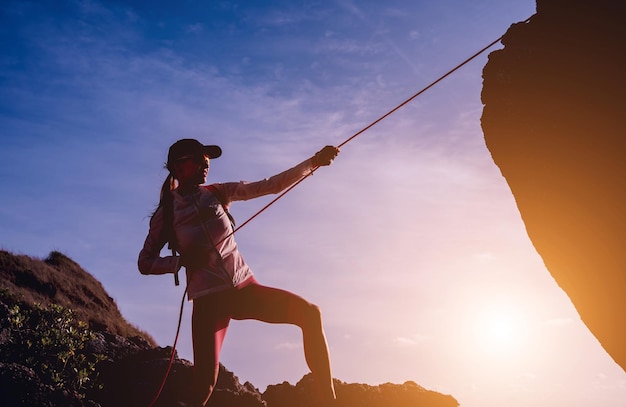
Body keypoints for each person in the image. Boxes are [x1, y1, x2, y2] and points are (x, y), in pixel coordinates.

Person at [138, 138, 339, 406]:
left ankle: (329, 401)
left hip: (245, 289)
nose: (205, 165)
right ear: (179, 166)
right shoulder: (167, 213)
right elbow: (145, 262)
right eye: (199, 159)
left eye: (207, 160)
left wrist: (313, 162)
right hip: (209, 303)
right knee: (204, 387)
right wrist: (181, 261)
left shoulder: (218, 193)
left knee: (310, 314)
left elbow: (271, 185)